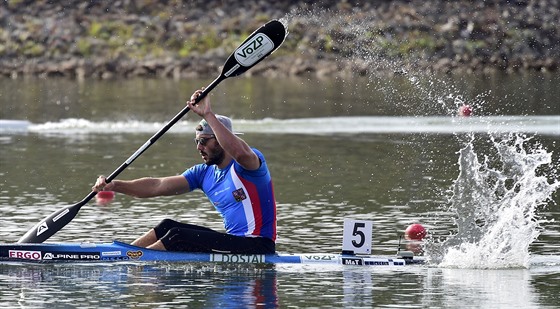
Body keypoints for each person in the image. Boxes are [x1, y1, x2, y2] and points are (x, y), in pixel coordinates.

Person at [92, 88, 277, 254]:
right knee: (167, 226)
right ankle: (121, 253)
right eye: (196, 141)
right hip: (234, 243)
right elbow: (156, 186)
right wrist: (113, 185)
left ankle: (131, 262)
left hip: (257, 245)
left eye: (204, 141)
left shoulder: (249, 166)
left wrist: (208, 115)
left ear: (221, 140)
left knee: (178, 235)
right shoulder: (203, 173)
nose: (199, 147)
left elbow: (239, 151)